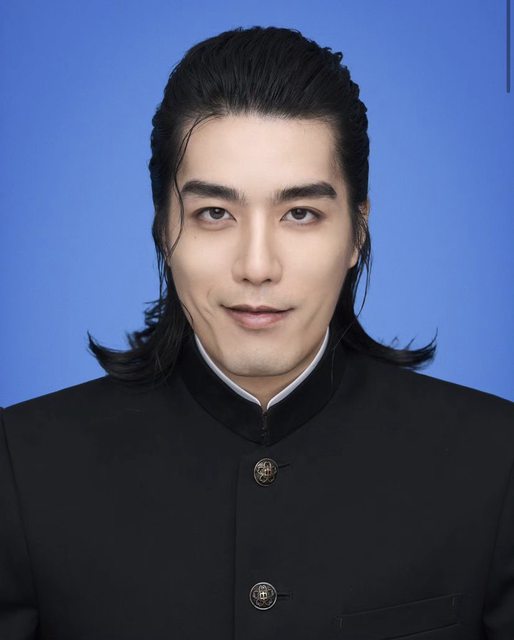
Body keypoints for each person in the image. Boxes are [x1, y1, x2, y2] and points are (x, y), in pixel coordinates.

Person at [1, 25, 513, 640]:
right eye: (215, 213)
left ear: (357, 231)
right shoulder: (21, 469)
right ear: (163, 229)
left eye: (301, 213)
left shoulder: (496, 462)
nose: (257, 266)